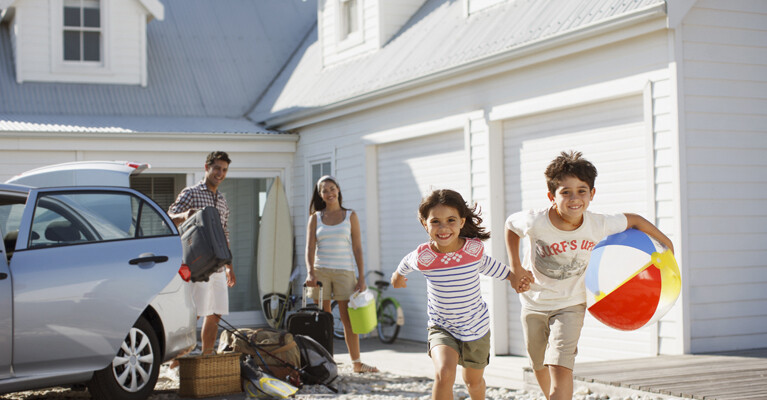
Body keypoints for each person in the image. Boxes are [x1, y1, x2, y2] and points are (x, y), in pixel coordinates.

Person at [505, 150, 674, 400]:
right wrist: (516, 267)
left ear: (592, 194)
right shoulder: (534, 221)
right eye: (566, 192)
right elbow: (511, 226)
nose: (575, 198)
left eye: (582, 191)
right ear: (552, 196)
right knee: (538, 362)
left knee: (560, 364)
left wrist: (667, 244)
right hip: (534, 302)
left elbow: (636, 220)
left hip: (571, 304)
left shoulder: (599, 223)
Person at [390, 189, 527, 400]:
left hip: (476, 327)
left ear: (462, 222)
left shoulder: (472, 251)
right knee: (444, 374)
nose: (443, 228)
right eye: (435, 221)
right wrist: (397, 276)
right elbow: (406, 262)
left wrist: (514, 277)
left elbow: (491, 266)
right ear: (425, 224)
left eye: (451, 220)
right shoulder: (424, 256)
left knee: (473, 382)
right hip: (442, 326)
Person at [304, 175, 379, 373]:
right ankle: (326, 361)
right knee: (323, 320)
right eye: (324, 190)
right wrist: (310, 272)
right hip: (320, 273)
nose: (329, 193)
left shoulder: (350, 215)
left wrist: (361, 277)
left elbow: (357, 248)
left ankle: (356, 363)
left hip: (345, 272)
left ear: (338, 190)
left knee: (348, 320)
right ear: (320, 195)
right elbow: (310, 247)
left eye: (332, 188)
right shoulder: (315, 218)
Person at [168, 151, 237, 358]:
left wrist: (229, 267)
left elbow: (225, 234)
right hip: (198, 265)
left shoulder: (223, 201)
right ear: (206, 167)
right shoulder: (191, 193)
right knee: (195, 313)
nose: (220, 173)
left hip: (218, 265)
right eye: (217, 168)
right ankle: (177, 358)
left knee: (215, 313)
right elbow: (168, 216)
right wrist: (185, 215)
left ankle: (207, 355)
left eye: (224, 170)